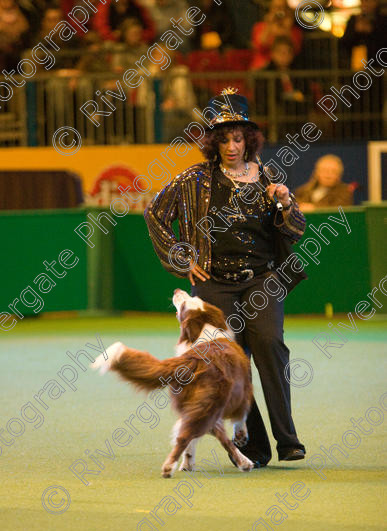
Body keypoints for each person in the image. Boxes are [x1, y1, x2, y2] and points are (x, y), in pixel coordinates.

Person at [144, 88, 307, 467]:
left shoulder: (269, 176)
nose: (231, 146)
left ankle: (288, 440)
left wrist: (283, 202)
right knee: (228, 360)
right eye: (223, 138)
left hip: (262, 279)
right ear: (212, 142)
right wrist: (182, 256)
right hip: (215, 280)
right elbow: (154, 213)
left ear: (249, 139)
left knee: (270, 346)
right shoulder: (194, 178)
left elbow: (296, 228)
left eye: (238, 138)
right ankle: (254, 445)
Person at [250, 0, 303, 70]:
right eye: (276, 8)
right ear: (270, 9)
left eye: (283, 8)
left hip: (287, 67)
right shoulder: (259, 27)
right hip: (263, 67)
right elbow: (258, 46)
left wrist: (287, 27)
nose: (279, 11)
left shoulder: (294, 30)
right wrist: (268, 26)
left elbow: (295, 49)